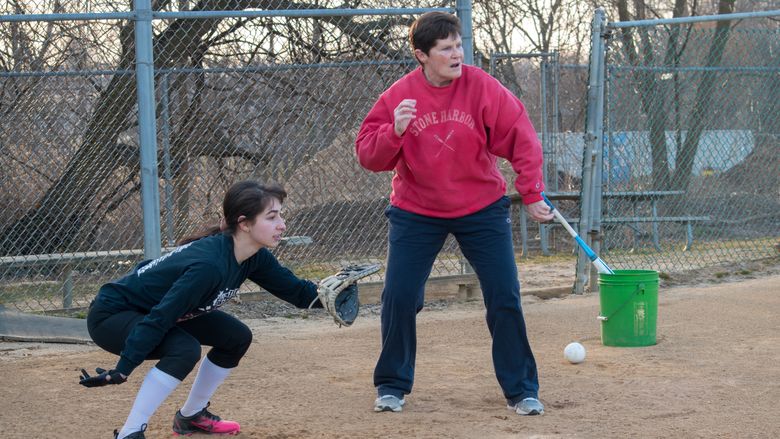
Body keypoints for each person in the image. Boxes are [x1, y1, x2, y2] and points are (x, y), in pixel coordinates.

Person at [355, 12, 554, 416]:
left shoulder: (482, 87)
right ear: (421, 55)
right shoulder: (399, 96)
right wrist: (394, 131)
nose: (456, 54)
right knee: (399, 295)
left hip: (480, 207)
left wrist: (531, 191)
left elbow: (521, 135)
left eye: (458, 45)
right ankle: (392, 385)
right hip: (417, 210)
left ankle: (522, 390)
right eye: (445, 48)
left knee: (504, 295)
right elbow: (367, 155)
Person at [79, 180, 326, 438]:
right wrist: (124, 368)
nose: (282, 225)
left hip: (154, 311)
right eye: (272, 217)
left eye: (281, 215)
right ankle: (130, 432)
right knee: (184, 349)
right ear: (244, 223)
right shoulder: (209, 267)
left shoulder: (254, 256)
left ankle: (191, 417)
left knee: (236, 337)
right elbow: (162, 316)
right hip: (113, 315)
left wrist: (330, 296)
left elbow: (297, 292)